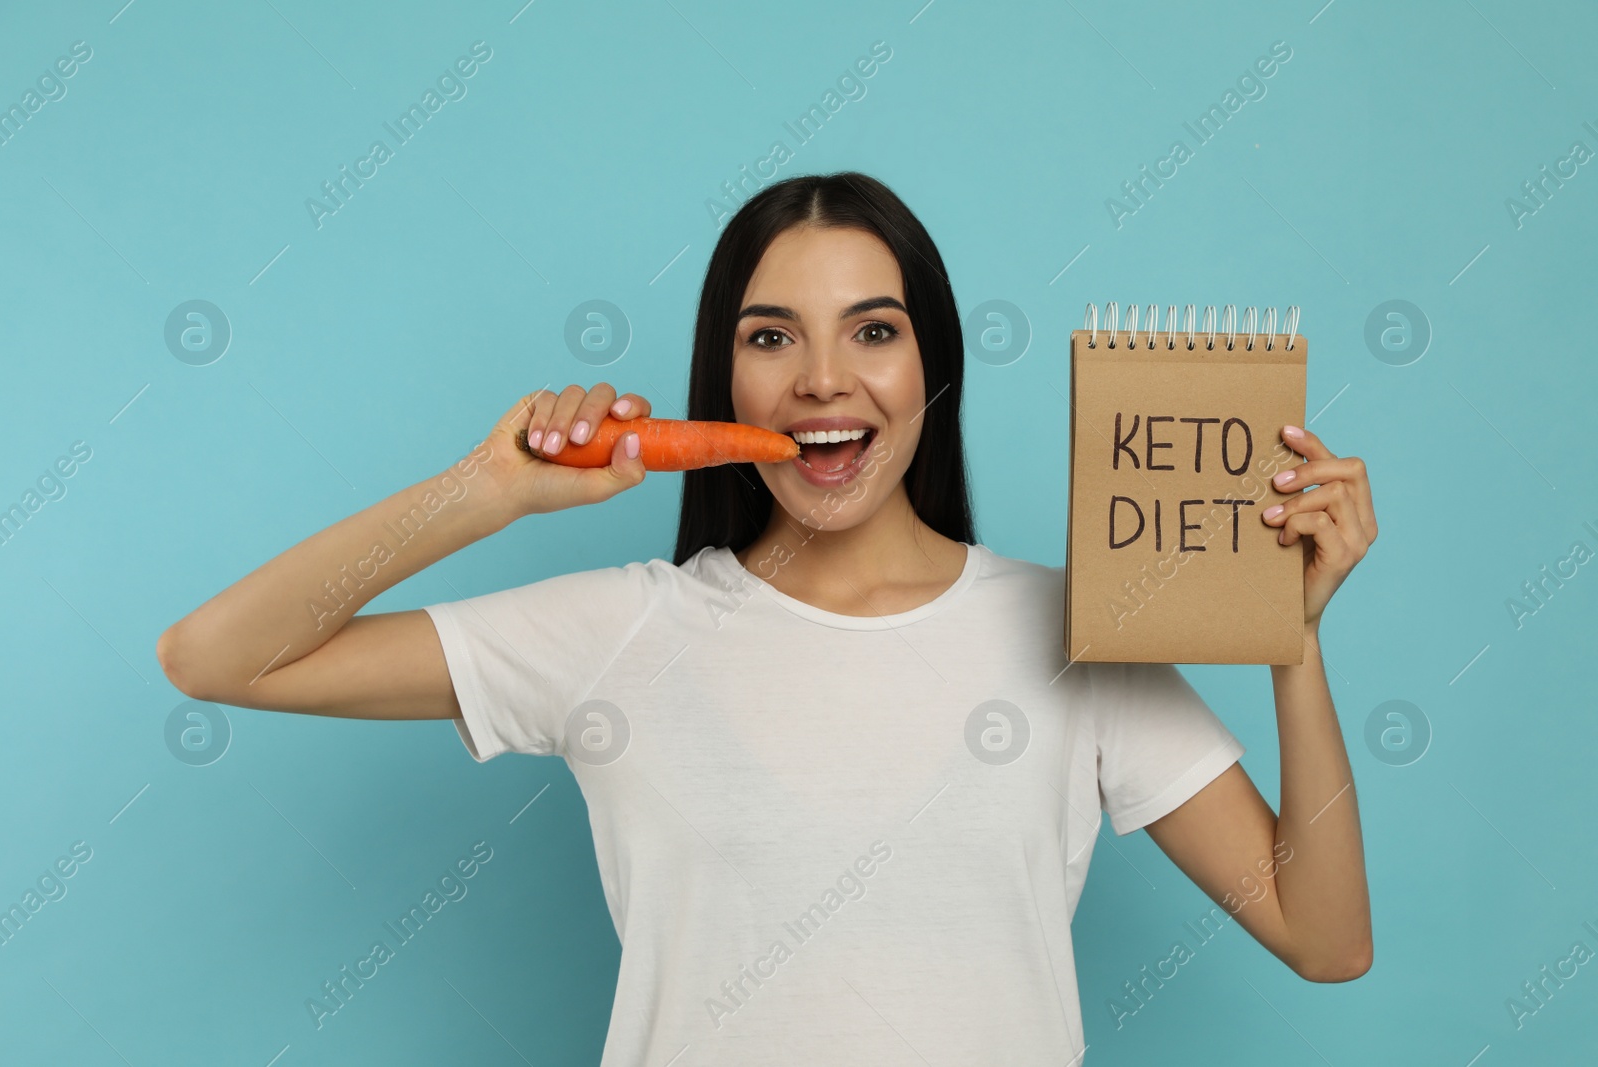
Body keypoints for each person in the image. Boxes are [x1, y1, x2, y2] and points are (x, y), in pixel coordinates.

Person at [156, 171, 1376, 1064]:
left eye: (873, 332)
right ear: (725, 376)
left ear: (930, 371)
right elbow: (216, 655)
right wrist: (486, 490)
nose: (821, 380)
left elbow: (1324, 937)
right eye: (770, 335)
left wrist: (1290, 634)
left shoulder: (1077, 629)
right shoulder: (621, 632)